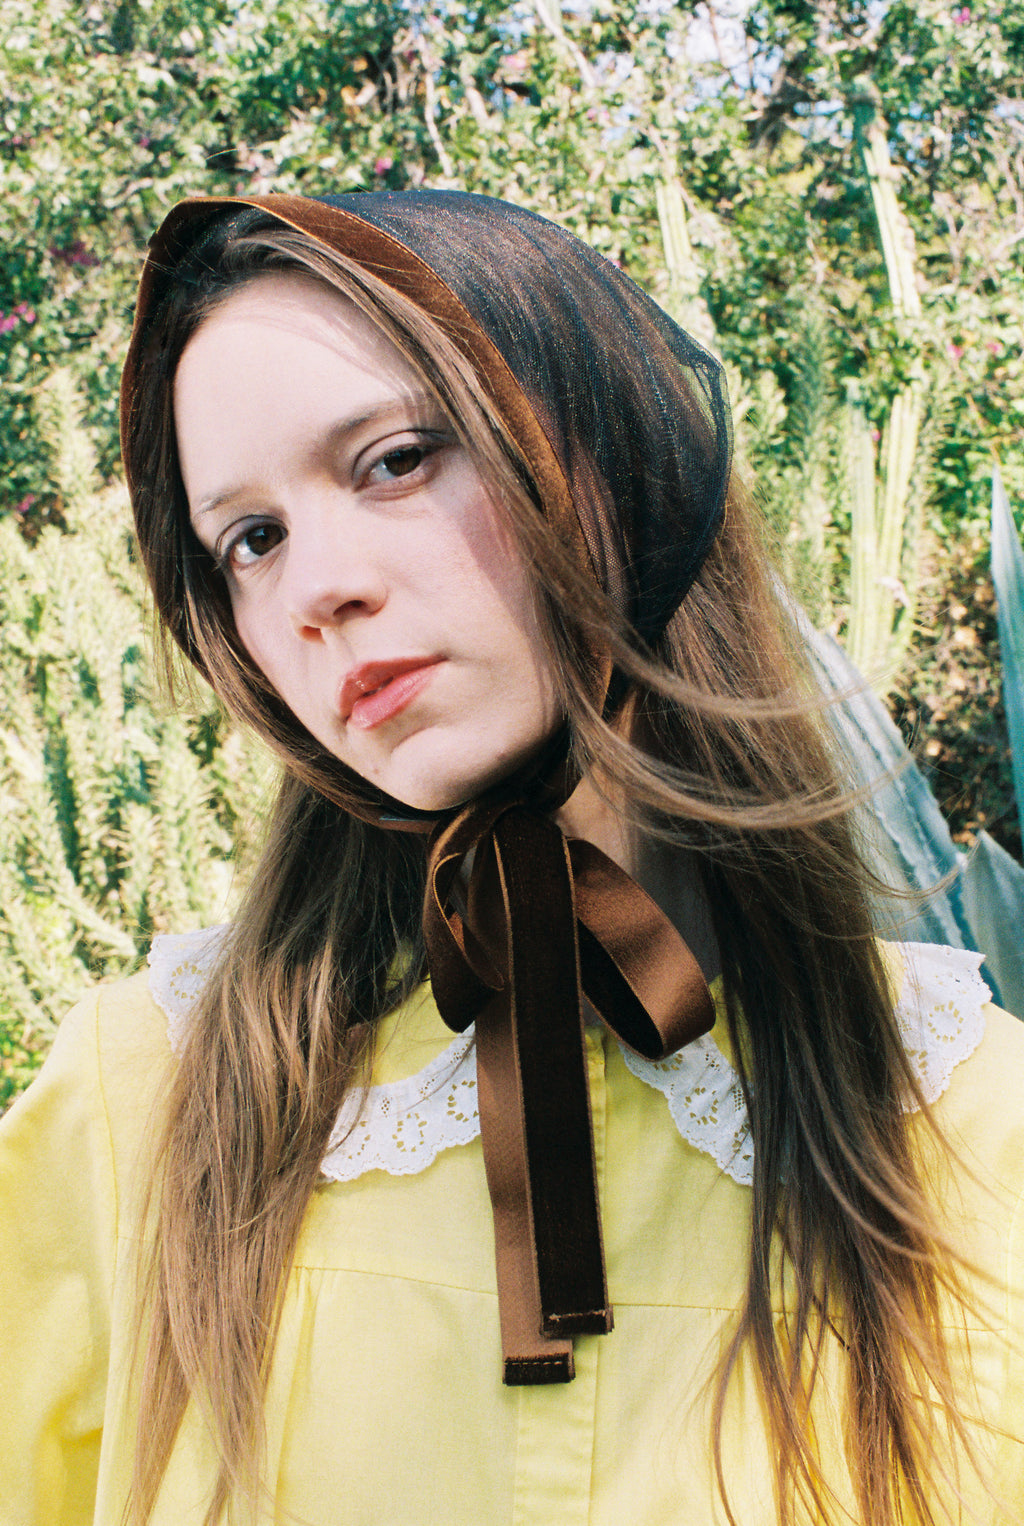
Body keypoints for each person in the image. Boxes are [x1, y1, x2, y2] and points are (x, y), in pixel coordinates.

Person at [1, 189, 1022, 1526]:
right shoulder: (140, 1105)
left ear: (611, 452)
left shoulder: (968, 1126)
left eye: (394, 459)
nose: (316, 588)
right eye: (251, 539)